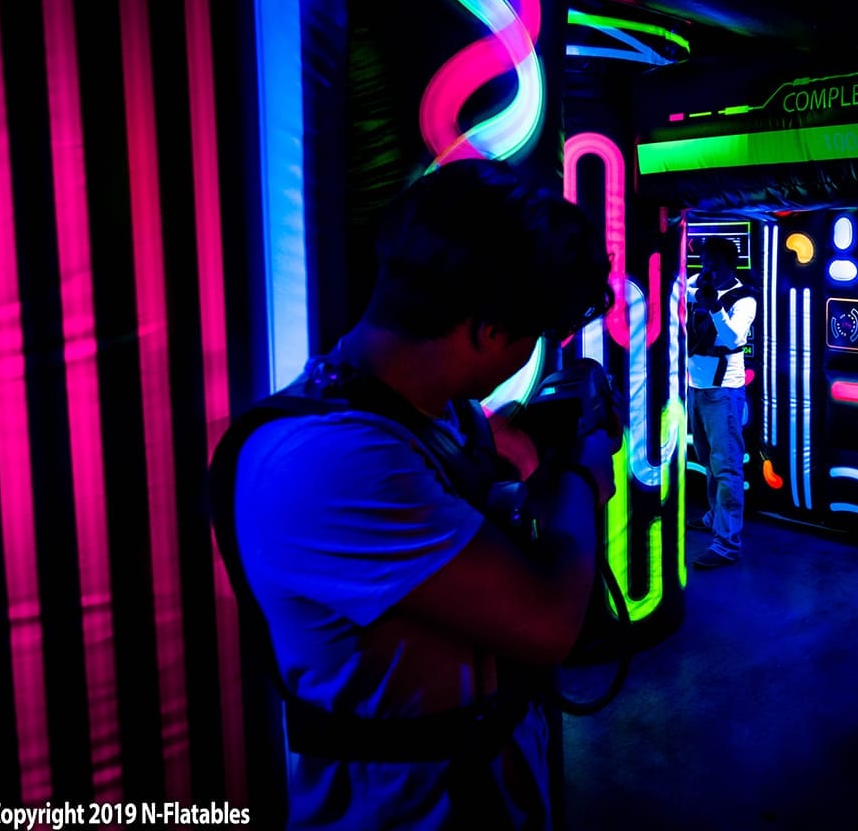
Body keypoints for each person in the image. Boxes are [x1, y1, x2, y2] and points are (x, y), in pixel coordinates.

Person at [213, 158, 617, 830]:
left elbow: (458, 530)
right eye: (531, 336)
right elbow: (548, 622)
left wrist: (518, 464)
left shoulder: (437, 413)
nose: (528, 355)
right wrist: (582, 472)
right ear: (489, 331)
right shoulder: (332, 460)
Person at [684, 235, 756, 569]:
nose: (707, 267)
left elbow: (732, 338)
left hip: (723, 391)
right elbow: (681, 294)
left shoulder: (744, 299)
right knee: (707, 459)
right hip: (696, 387)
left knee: (726, 466)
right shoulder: (698, 283)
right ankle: (715, 516)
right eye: (704, 260)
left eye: (714, 262)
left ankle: (726, 543)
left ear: (730, 265)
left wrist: (714, 306)